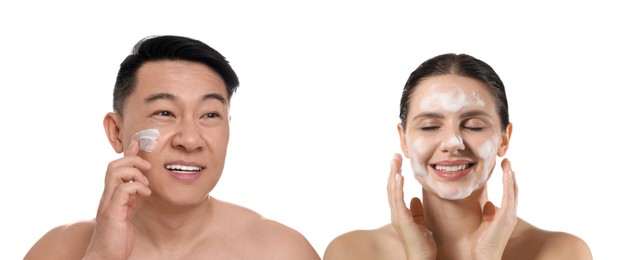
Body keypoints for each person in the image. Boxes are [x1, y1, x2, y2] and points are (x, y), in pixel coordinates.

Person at [25, 35, 320, 260]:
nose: (190, 140)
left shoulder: (281, 251)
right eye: (165, 113)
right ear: (116, 132)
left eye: (210, 115)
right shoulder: (57, 250)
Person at [323, 53, 592, 259]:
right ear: (404, 140)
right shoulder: (352, 252)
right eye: (430, 126)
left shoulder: (561, 252)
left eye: (473, 126)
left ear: (504, 139)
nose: (453, 142)